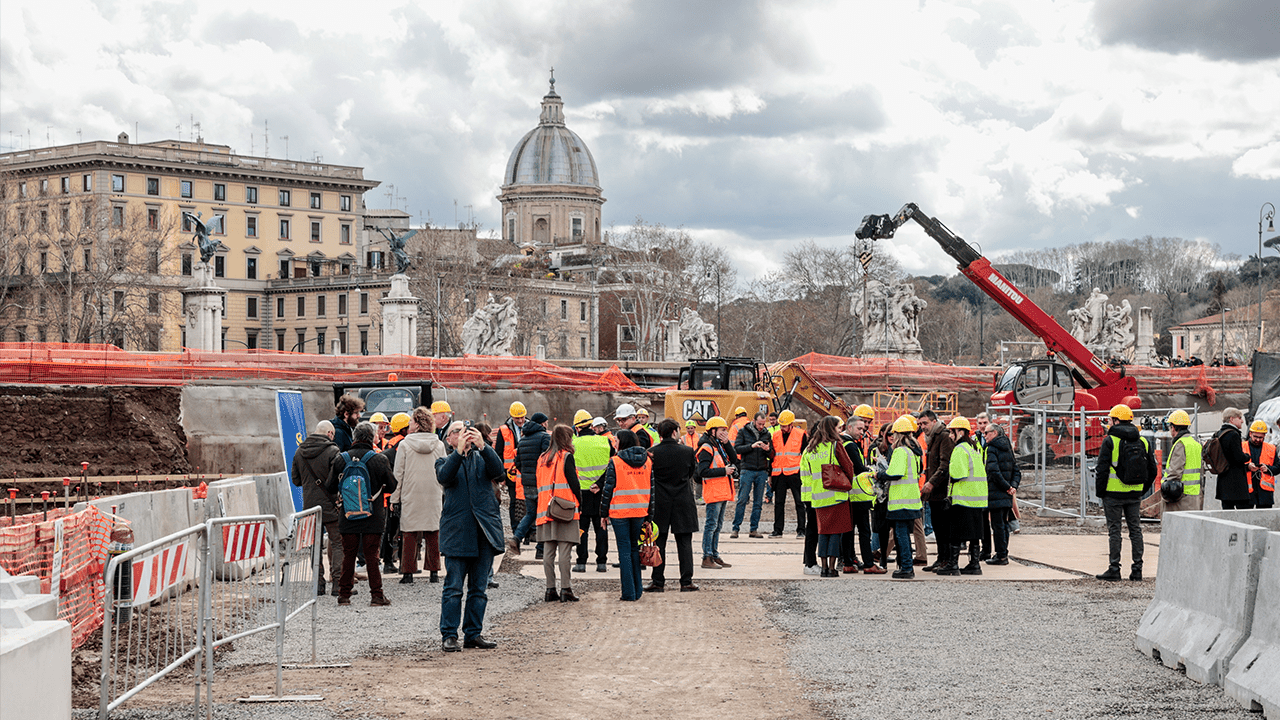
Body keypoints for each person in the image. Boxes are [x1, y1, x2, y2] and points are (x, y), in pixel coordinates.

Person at [435, 420, 505, 652]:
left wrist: (484, 446)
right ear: (449, 439)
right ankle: (449, 635)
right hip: (457, 534)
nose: (464, 435)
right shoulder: (444, 461)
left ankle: (473, 634)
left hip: (483, 532)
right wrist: (458, 453)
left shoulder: (483, 458)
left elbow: (499, 472)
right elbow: (445, 477)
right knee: (453, 588)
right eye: (457, 431)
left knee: (479, 589)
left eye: (467, 431)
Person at [325, 421, 397, 606]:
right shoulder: (380, 459)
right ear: (371, 437)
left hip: (348, 514)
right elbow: (392, 485)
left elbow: (330, 486)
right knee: (372, 555)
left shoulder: (341, 459)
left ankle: (344, 596)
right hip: (373, 515)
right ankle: (377, 596)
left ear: (355, 437)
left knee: (349, 555)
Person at [1094, 404, 1157, 581]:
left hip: (1112, 494)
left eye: (1110, 419)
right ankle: (1137, 569)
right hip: (1135, 494)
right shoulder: (1143, 441)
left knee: (1115, 531)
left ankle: (1114, 568)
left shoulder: (1110, 441)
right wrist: (1141, 489)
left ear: (1116, 420)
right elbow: (1152, 470)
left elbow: (1102, 470)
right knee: (1135, 530)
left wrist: (1101, 493)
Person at [392, 407, 447, 584]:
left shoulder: (405, 445)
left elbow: (398, 473)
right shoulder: (438, 445)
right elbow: (444, 471)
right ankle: (433, 572)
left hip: (411, 493)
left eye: (411, 422)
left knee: (409, 532)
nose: (409, 425)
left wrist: (395, 498)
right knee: (433, 532)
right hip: (433, 493)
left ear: (416, 424)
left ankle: (408, 572)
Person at [646, 418, 700, 592]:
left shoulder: (652, 453)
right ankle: (686, 581)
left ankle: (657, 581)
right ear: (675, 432)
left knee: (659, 542)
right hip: (682, 501)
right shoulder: (688, 451)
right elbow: (692, 473)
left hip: (660, 502)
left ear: (660, 433)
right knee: (684, 543)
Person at [290, 419, 343, 596]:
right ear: (329, 434)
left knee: (314, 546)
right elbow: (338, 479)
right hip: (331, 505)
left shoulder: (299, 452)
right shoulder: (333, 451)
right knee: (337, 543)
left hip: (310, 507)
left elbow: (296, 481)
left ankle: (319, 584)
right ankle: (337, 584)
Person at [599, 430, 652, 601]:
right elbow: (653, 491)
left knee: (624, 551)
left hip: (619, 512)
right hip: (640, 511)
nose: (614, 443)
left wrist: (603, 513)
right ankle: (637, 590)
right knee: (634, 549)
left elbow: (608, 490)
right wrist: (650, 517)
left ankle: (628, 593)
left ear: (622, 442)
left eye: (616, 440)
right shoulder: (648, 461)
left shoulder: (615, 461)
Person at [801, 416, 856, 577]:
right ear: (832, 429)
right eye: (838, 427)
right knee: (836, 532)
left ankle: (824, 567)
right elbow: (849, 466)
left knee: (823, 532)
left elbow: (807, 474)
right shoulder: (834, 445)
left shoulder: (810, 449)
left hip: (818, 497)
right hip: (836, 495)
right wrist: (847, 482)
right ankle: (832, 568)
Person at [536, 424, 584, 602]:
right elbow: (574, 484)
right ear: (566, 439)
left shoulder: (542, 458)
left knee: (548, 552)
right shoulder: (566, 457)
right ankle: (566, 589)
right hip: (564, 510)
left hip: (545, 510)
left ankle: (550, 589)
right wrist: (580, 503)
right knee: (565, 551)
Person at [938, 417, 987, 576]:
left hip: (963, 498)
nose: (950, 436)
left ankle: (953, 565)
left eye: (952, 432)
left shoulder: (960, 449)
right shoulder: (974, 448)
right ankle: (974, 565)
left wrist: (950, 470)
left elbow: (958, 474)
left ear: (960, 432)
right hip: (977, 497)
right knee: (975, 534)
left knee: (957, 533)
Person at [876, 415, 923, 579]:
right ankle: (906, 565)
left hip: (901, 501)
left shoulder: (900, 451)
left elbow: (894, 473)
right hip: (911, 500)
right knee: (904, 535)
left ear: (897, 434)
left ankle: (906, 568)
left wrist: (879, 474)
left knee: (901, 534)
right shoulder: (913, 451)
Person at [572, 409, 614, 573]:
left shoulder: (573, 444)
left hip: (581, 493)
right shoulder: (605, 442)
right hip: (601, 492)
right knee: (601, 527)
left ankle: (581, 562)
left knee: (581, 529)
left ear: (577, 427)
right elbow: (612, 463)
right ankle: (601, 562)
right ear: (591, 425)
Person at [696, 416, 738, 569]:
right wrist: (724, 471)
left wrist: (727, 444)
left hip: (721, 491)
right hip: (714, 492)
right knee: (711, 525)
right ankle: (707, 557)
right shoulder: (707, 447)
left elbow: (734, 459)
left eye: (725, 430)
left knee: (717, 525)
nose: (724, 433)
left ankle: (713, 555)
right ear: (713, 431)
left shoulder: (718, 446)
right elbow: (703, 471)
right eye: (722, 430)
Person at [840, 405, 878, 574]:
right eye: (860, 428)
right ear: (849, 427)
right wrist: (873, 471)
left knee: (848, 530)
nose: (863, 431)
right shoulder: (849, 445)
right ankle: (869, 564)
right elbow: (859, 469)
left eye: (865, 427)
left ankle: (848, 561)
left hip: (850, 493)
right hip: (858, 494)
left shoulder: (843, 443)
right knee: (864, 531)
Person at [918, 410, 954, 573]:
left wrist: (931, 483)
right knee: (938, 527)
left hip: (941, 492)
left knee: (943, 528)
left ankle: (946, 559)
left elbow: (945, 464)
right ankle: (941, 558)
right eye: (920, 424)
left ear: (933, 422)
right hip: (934, 493)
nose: (922, 427)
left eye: (925, 423)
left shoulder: (943, 436)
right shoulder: (932, 437)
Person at [510, 412, 551, 557]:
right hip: (541, 483)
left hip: (527, 483)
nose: (547, 424)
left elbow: (518, 463)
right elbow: (546, 460)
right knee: (543, 515)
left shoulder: (523, 439)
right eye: (546, 422)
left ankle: (516, 537)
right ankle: (540, 550)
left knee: (530, 513)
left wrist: (527, 475)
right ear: (541, 423)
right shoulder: (545, 437)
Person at [378, 412, 412, 575]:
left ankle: (388, 561)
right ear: (404, 429)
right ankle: (397, 561)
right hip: (398, 494)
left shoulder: (389, 444)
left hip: (387, 495)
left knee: (388, 530)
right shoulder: (403, 445)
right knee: (400, 528)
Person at [982, 422, 1019, 568]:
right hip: (1006, 494)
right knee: (1003, 525)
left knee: (997, 526)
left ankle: (1001, 555)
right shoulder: (1008, 448)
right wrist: (1012, 487)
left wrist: (1006, 487)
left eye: (986, 433)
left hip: (996, 493)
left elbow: (993, 471)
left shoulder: (991, 448)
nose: (984, 435)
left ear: (994, 433)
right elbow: (1016, 470)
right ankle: (1003, 553)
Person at [731, 413, 772, 539]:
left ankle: (753, 529)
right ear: (754, 421)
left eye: (763, 424)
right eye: (759, 424)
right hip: (747, 469)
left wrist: (767, 450)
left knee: (758, 502)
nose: (761, 426)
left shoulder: (767, 434)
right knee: (742, 499)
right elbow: (737, 448)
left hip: (761, 471)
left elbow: (772, 453)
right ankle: (735, 528)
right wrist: (751, 446)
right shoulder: (743, 431)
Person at [768, 410, 807, 539]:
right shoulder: (775, 435)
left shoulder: (801, 435)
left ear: (791, 424)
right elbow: (773, 456)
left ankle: (801, 530)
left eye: (784, 426)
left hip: (795, 473)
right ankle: (778, 530)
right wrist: (770, 475)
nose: (782, 428)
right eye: (781, 426)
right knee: (779, 503)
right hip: (779, 473)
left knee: (799, 503)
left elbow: (805, 456)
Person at [494, 401, 529, 534]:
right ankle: (516, 530)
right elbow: (498, 453)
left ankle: (529, 531)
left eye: (522, 417)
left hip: (527, 472)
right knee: (514, 501)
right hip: (511, 473)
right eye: (517, 418)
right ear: (511, 417)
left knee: (529, 501)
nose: (520, 421)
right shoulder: (504, 430)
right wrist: (501, 475)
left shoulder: (531, 426)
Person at [1161, 410, 1203, 513]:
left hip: (1180, 497)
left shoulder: (1180, 444)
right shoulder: (1195, 443)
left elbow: (1175, 472)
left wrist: (1166, 487)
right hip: (1195, 494)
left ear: (1174, 428)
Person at [1213, 408, 1252, 510]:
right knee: (1243, 514)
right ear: (1231, 419)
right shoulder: (1233, 434)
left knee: (1227, 515)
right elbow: (1238, 458)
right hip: (1236, 483)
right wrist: (1247, 456)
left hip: (1223, 481)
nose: (1242, 421)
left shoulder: (1218, 434)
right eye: (1239, 418)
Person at [1245, 420, 1277, 509]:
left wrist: (1268, 469)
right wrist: (1247, 467)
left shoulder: (1271, 448)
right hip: (1246, 493)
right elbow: (1235, 467)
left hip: (1265, 494)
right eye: (1255, 436)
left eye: (1261, 437)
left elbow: (1278, 467)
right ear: (1250, 434)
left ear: (1264, 436)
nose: (1258, 439)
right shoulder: (1241, 447)